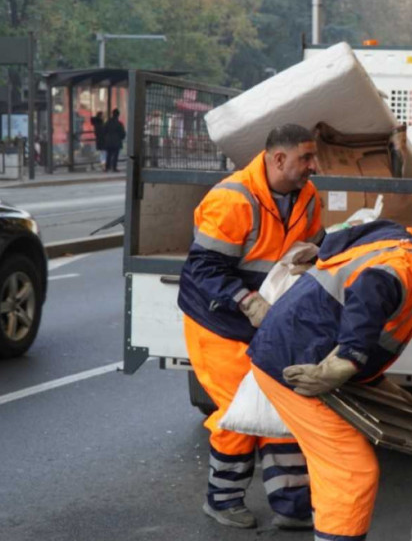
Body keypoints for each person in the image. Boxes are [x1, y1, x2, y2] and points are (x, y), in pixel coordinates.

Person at [247, 219, 412, 541]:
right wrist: (347, 361)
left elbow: (349, 240)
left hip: (294, 351)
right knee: (351, 470)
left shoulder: (396, 236)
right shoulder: (405, 265)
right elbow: (369, 293)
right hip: (300, 366)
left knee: (335, 463)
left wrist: (375, 383)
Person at [177, 124, 324, 530]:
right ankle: (222, 499)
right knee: (240, 412)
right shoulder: (233, 198)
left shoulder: (306, 196)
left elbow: (313, 244)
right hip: (216, 322)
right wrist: (247, 300)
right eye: (306, 158)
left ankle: (292, 507)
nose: (315, 166)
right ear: (279, 159)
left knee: (281, 405)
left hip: (266, 320)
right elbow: (202, 268)